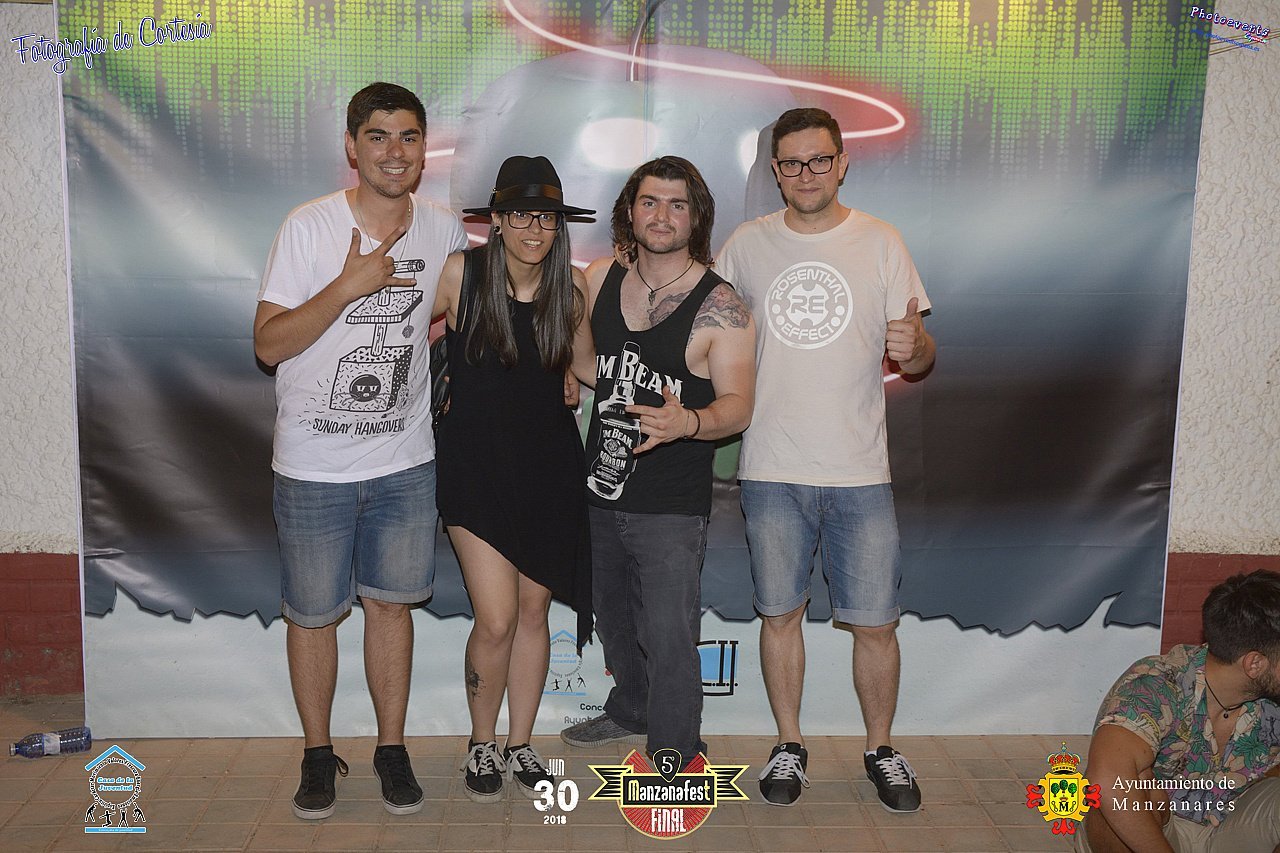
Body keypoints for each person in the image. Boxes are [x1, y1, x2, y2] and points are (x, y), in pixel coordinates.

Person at [254, 83, 466, 820]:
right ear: (352, 146)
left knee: (390, 609)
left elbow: (472, 310)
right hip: (313, 466)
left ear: (424, 148)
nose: (394, 153)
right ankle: (318, 753)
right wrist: (346, 287)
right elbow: (268, 345)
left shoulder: (442, 228)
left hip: (405, 463)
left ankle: (391, 749)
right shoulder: (309, 227)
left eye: (408, 137)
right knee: (313, 616)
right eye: (378, 136)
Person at [716, 107, 936, 810]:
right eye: (792, 162)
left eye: (819, 160)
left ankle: (881, 748)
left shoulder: (881, 240)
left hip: (859, 470)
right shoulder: (745, 246)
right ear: (775, 171)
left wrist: (916, 349)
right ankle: (789, 743)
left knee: (876, 622)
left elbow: (919, 354)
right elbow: (705, 339)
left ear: (842, 164)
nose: (805, 173)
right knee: (780, 613)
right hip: (770, 465)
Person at [559, 156, 756, 773]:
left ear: (696, 218)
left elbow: (739, 407)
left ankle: (675, 753)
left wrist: (687, 423)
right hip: (601, 486)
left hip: (671, 502)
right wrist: (573, 370)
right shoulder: (600, 278)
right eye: (650, 202)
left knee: (668, 634)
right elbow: (591, 366)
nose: (662, 216)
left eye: (677, 204)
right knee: (614, 619)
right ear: (630, 210)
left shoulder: (721, 306)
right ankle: (631, 708)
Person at [433, 155, 596, 802]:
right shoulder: (461, 274)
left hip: (550, 469)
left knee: (533, 612)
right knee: (496, 618)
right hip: (473, 470)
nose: (534, 228)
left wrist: (667, 380)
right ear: (496, 220)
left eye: (547, 218)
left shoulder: (572, 286)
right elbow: (401, 340)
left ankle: (520, 741)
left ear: (559, 226)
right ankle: (481, 741)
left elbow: (585, 368)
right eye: (521, 215)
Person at [1077, 569, 1280, 853]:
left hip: (1232, 823)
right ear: (1254, 664)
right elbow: (1107, 779)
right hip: (1158, 829)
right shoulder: (1158, 683)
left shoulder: (1271, 695)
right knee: (1122, 793)